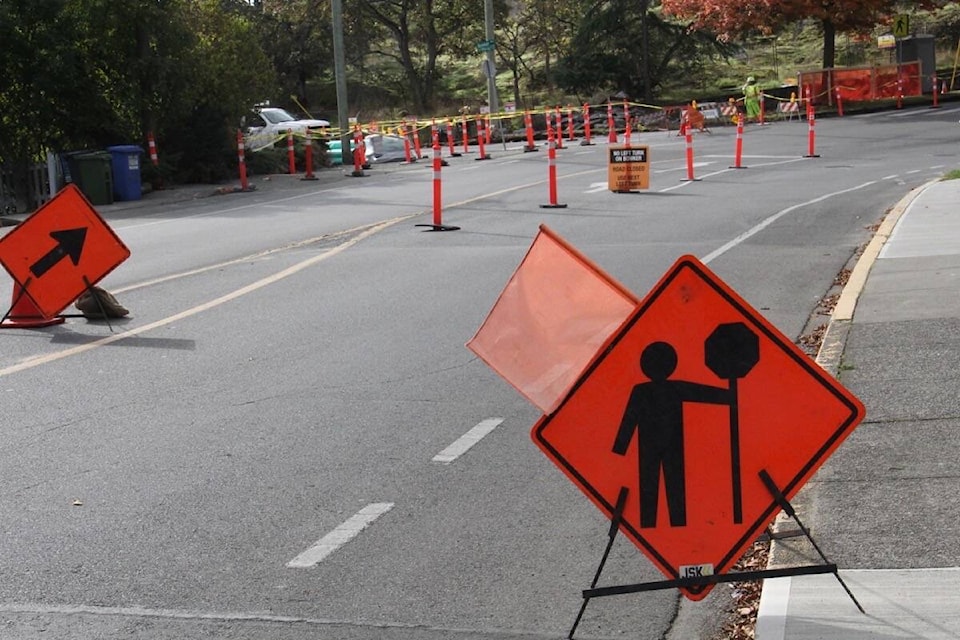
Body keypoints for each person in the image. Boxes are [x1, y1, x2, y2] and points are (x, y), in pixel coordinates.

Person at [612, 341, 732, 528]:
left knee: (655, 486)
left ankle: (657, 524)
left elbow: (629, 420)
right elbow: (701, 392)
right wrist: (730, 397)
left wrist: (620, 447)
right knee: (668, 486)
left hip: (654, 445)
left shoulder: (642, 390)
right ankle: (674, 523)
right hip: (666, 445)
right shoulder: (669, 388)